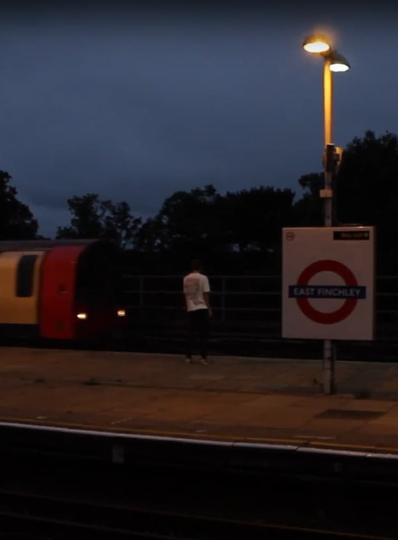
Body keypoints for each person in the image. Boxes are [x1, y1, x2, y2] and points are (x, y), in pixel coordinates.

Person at [183, 259, 212, 365]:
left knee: (191, 333)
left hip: (191, 307)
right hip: (201, 306)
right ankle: (203, 357)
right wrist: (209, 308)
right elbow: (205, 294)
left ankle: (188, 356)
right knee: (203, 333)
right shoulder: (203, 278)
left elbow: (185, 294)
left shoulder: (186, 279)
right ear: (201, 267)